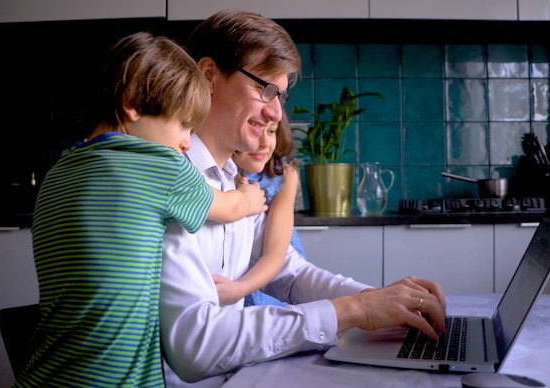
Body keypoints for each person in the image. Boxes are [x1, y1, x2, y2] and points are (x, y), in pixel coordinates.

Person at [160, 8, 447, 386]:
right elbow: (195, 345)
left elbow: (287, 272)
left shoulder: (236, 184)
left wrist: (379, 299)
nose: (277, 111)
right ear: (210, 76)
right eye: (265, 88)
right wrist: (355, 309)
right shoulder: (168, 182)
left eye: (279, 95)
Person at [16, 31, 266, 387]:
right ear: (133, 103)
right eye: (182, 124)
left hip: (45, 373)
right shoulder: (155, 162)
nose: (185, 142)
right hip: (115, 380)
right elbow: (226, 206)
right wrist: (249, 199)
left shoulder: (57, 173)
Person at [217, 111, 306, 307]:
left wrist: (240, 288)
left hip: (272, 272)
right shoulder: (221, 172)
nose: (265, 143)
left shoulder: (285, 173)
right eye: (256, 130)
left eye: (272, 131)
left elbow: (275, 254)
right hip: (233, 277)